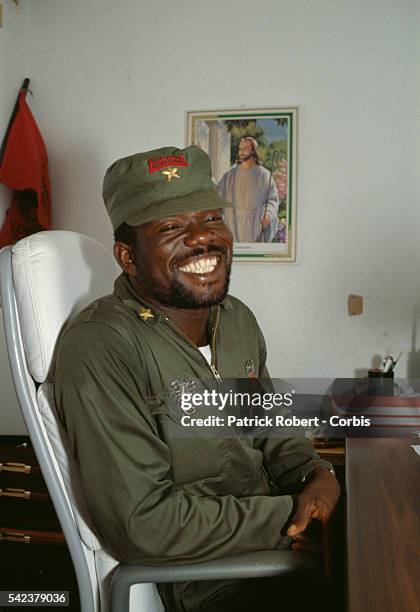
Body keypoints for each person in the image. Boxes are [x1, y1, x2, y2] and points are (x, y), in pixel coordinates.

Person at [52, 145, 340, 611]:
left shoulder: (236, 318)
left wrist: (317, 475)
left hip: (275, 552)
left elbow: (269, 428)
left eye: (211, 219)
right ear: (127, 256)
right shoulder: (102, 347)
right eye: (171, 228)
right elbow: (143, 525)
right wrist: (291, 517)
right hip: (214, 585)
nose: (203, 240)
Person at [217, 136, 279, 243]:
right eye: (240, 149)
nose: (241, 152)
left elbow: (272, 199)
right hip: (233, 224)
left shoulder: (264, 175)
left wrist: (268, 214)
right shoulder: (230, 175)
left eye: (245, 148)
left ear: (253, 151)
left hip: (255, 225)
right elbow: (217, 193)